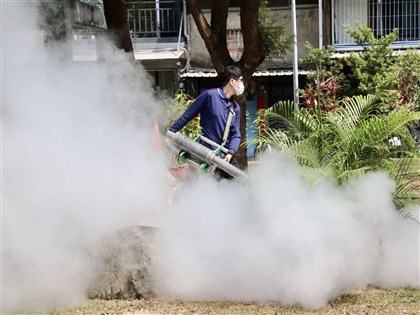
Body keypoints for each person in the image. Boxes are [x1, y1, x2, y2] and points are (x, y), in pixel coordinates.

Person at [169, 65, 244, 179]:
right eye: (241, 80)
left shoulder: (235, 108)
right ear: (232, 81)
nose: (242, 84)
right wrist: (171, 132)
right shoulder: (210, 96)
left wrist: (230, 153)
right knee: (210, 190)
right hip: (207, 155)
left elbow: (236, 134)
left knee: (239, 188)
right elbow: (188, 115)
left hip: (227, 157)